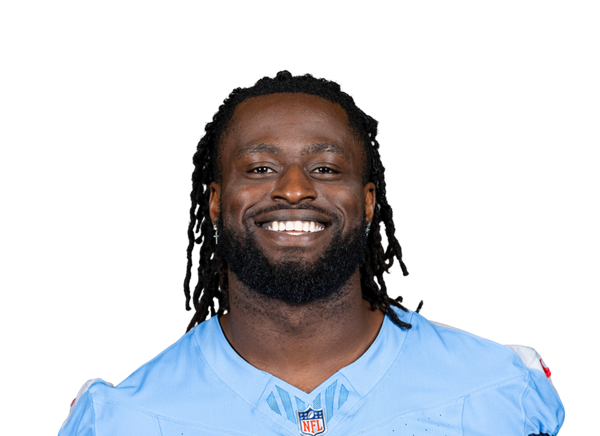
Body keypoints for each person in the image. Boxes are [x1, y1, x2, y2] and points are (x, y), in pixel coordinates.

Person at [58, 71, 565, 435]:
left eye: (325, 168)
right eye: (260, 168)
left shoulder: (502, 390)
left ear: (368, 202)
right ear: (214, 201)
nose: (295, 189)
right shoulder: (121, 420)